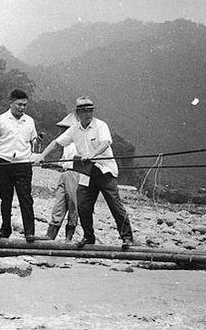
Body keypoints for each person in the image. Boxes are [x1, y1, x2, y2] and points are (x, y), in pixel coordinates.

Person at [37, 96, 134, 249]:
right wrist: (42, 156)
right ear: (78, 113)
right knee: (83, 206)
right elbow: (56, 142)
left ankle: (127, 238)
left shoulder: (100, 125)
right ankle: (89, 237)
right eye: (84, 111)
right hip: (86, 173)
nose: (88, 114)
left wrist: (92, 155)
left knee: (114, 204)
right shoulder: (74, 129)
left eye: (90, 111)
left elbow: (105, 143)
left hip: (104, 170)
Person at [0, 89, 40, 242]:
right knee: (6, 198)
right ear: (11, 103)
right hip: (4, 163)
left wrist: (38, 141)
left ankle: (29, 232)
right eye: (19, 104)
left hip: (23, 164)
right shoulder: (1, 120)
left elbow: (34, 141)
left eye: (25, 105)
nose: (22, 108)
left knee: (26, 197)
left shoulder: (30, 121)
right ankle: (5, 229)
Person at [43, 112, 80, 242]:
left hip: (76, 174)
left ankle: (68, 239)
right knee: (58, 205)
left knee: (73, 205)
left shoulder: (78, 143)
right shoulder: (66, 144)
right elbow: (63, 163)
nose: (63, 131)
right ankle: (50, 236)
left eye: (65, 128)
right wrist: (49, 164)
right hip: (64, 174)